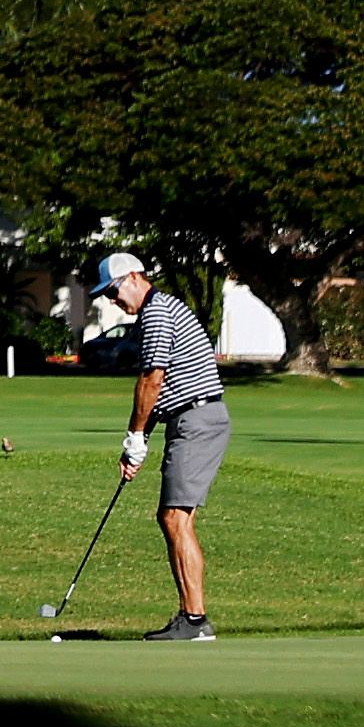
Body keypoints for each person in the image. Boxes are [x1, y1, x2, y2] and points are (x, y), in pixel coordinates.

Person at [104, 245, 225, 641]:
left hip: (196, 418)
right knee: (173, 517)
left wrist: (136, 436)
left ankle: (194, 620)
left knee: (175, 517)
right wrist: (137, 442)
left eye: (114, 291)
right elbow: (161, 388)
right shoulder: (159, 311)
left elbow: (152, 380)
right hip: (188, 418)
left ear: (135, 278)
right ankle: (192, 618)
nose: (113, 300)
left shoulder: (156, 312)